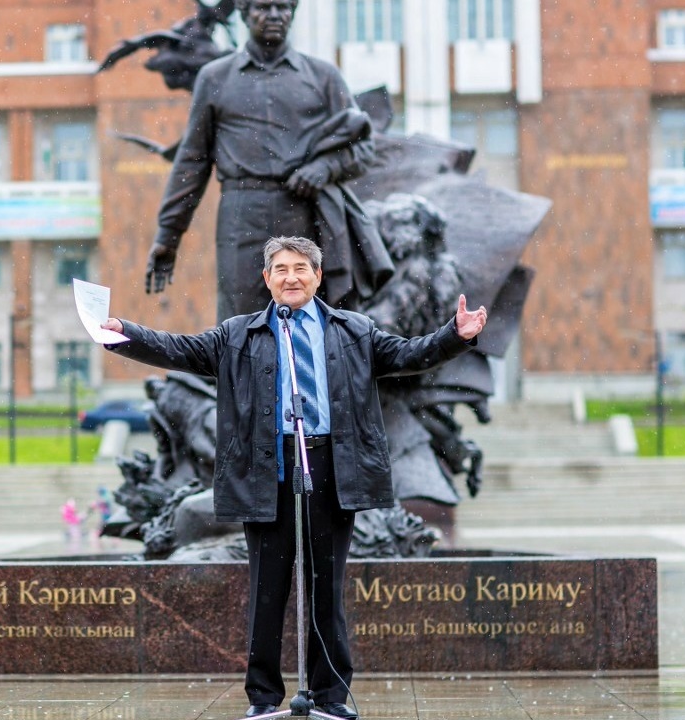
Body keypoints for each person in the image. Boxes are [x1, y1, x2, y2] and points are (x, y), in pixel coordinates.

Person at [102, 237, 487, 719]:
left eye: (301, 268)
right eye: (281, 269)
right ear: (266, 279)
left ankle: (329, 696)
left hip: (331, 467)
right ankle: (263, 698)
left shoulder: (354, 331)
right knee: (267, 590)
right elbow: (177, 349)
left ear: (317, 276)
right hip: (268, 470)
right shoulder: (238, 335)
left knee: (327, 589)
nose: (291, 277)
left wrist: (455, 335)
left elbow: (410, 355)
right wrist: (125, 333)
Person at [146, 0, 392, 321]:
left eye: (282, 7)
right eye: (263, 7)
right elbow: (192, 163)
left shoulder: (323, 76)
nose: (274, 16)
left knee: (309, 320)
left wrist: (325, 168)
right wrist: (168, 236)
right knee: (242, 325)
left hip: (304, 212)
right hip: (241, 215)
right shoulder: (216, 77)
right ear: (245, 13)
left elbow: (362, 146)